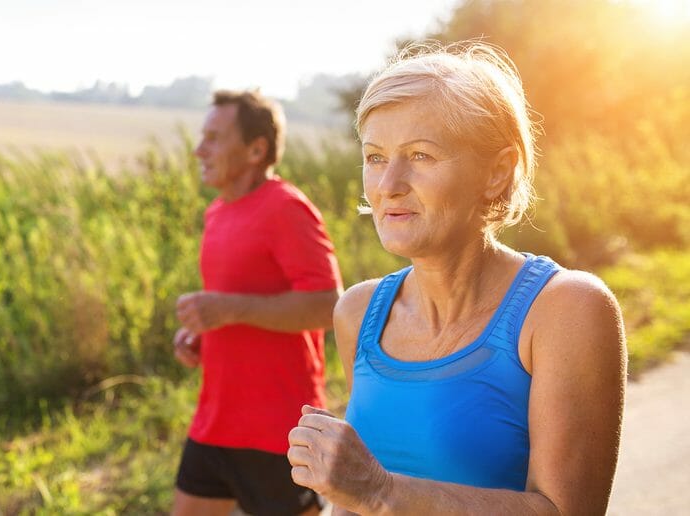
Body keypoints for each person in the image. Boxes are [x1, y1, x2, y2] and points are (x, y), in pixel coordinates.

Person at [287, 42, 626, 515]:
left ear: (497, 172)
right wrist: (346, 495)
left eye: (421, 156)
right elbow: (352, 498)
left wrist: (382, 492)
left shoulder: (566, 310)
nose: (388, 185)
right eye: (375, 157)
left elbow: (566, 511)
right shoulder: (358, 312)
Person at [172, 90, 343, 516]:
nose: (199, 149)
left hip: (277, 427)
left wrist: (229, 309)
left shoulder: (286, 208)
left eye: (213, 138)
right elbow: (232, 303)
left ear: (256, 149)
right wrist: (200, 332)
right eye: (202, 137)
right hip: (216, 421)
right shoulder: (217, 213)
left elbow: (327, 304)